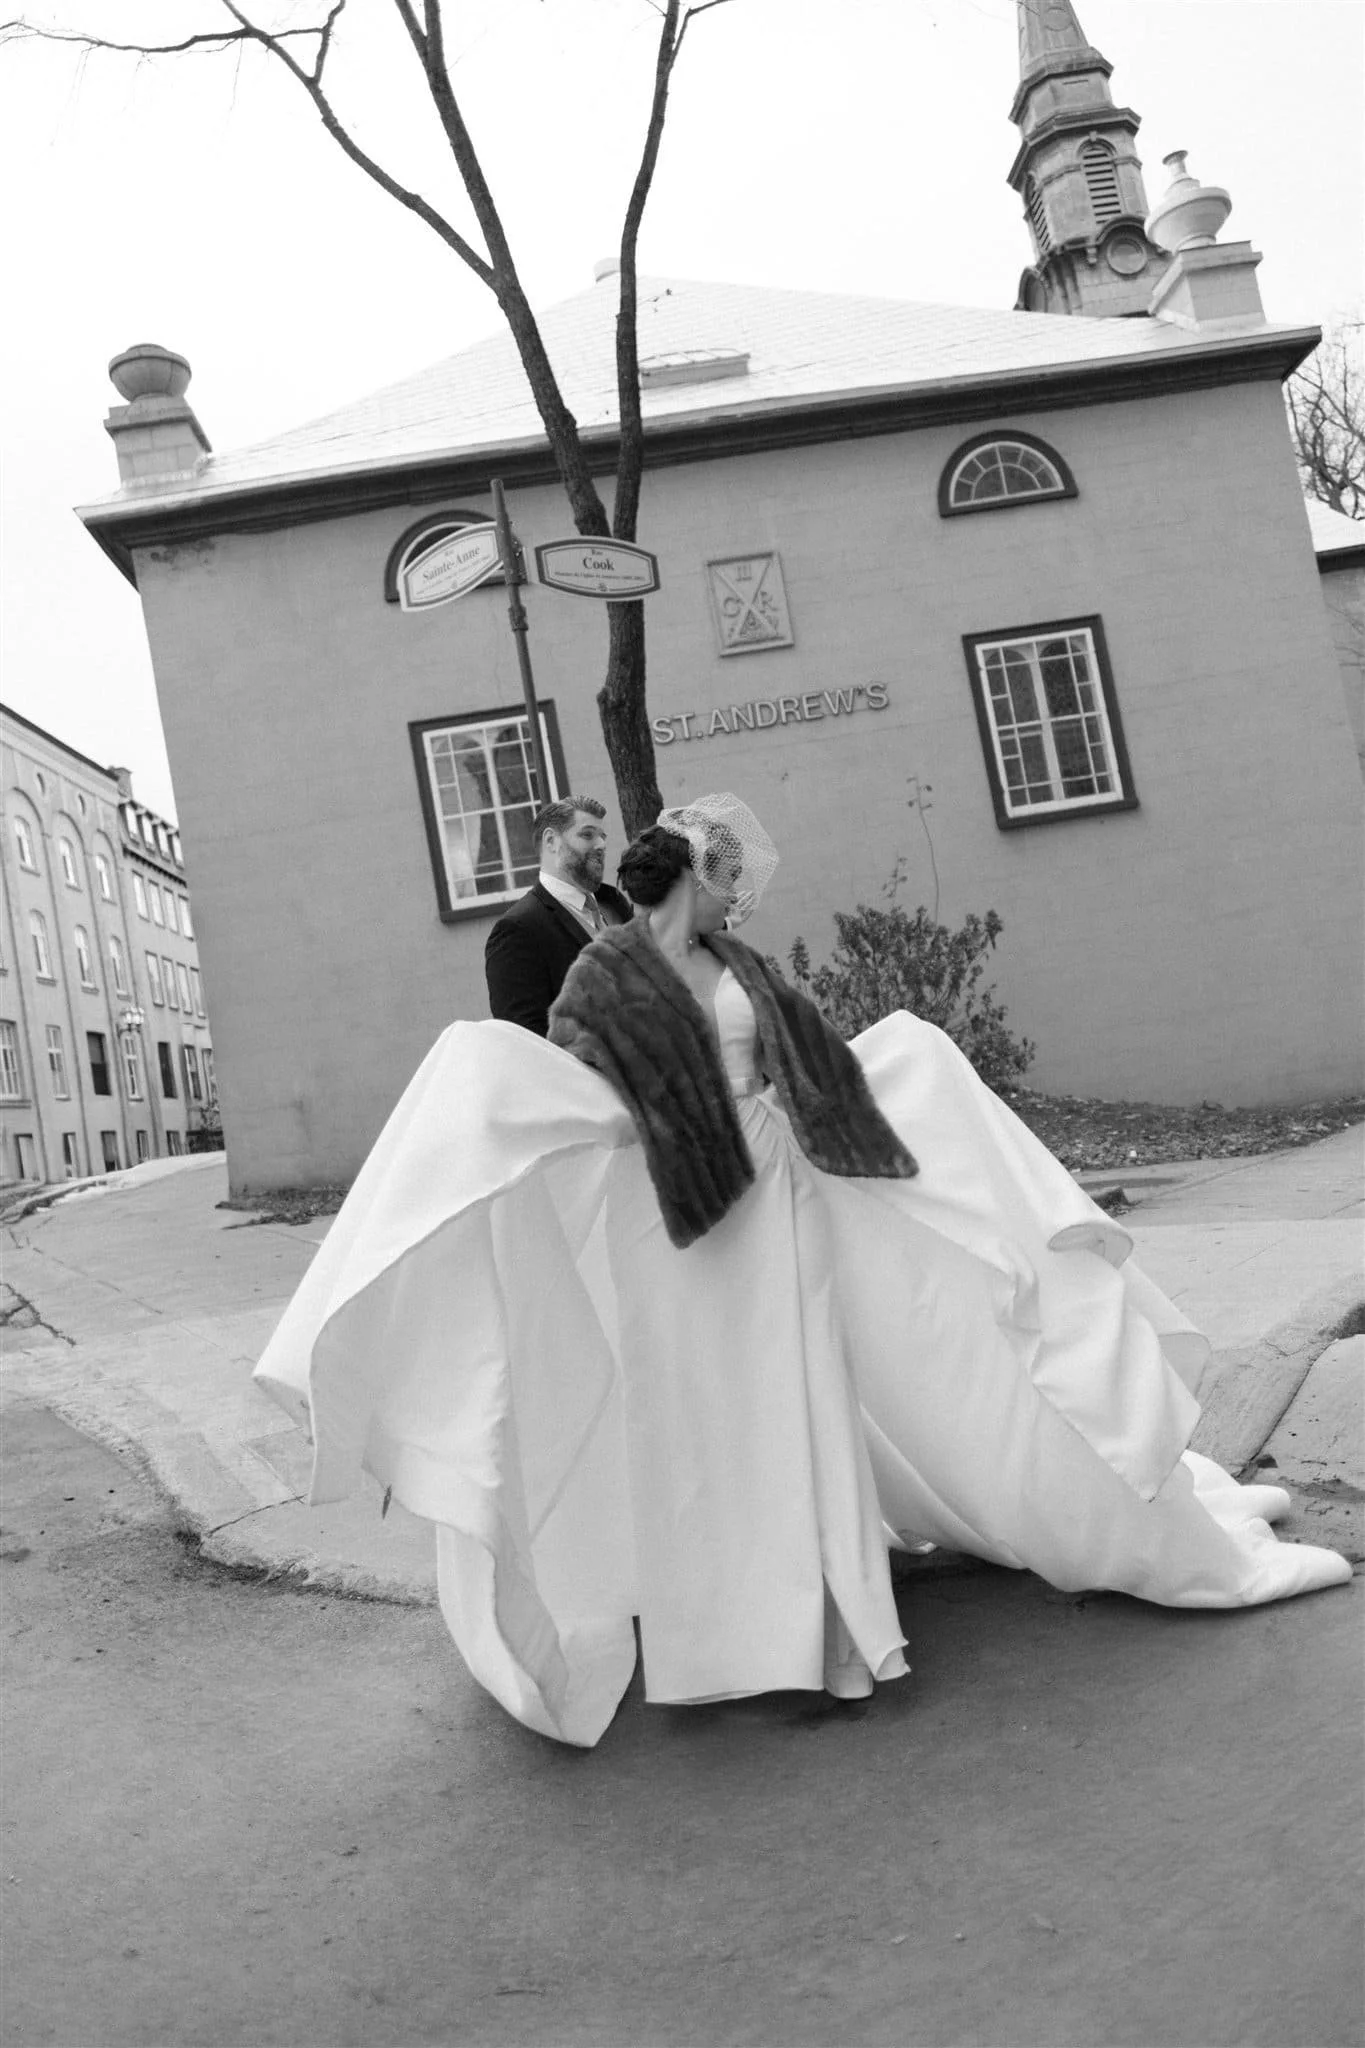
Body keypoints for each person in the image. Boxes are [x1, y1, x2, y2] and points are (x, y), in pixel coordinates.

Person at [255, 793, 1351, 1750]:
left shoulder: (746, 965)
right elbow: (573, 1073)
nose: (746, 895)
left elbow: (815, 1059)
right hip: (674, 1224)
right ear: (695, 873)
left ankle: (835, 1622)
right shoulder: (602, 969)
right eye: (733, 876)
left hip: (780, 1198)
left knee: (799, 1396)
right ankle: (730, 1633)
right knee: (703, 1414)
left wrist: (891, 1087)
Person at [483, 796, 632, 1035]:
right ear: (551, 841)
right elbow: (526, 1039)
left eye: (602, 837)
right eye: (587, 835)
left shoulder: (613, 902)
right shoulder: (518, 930)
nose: (601, 845)